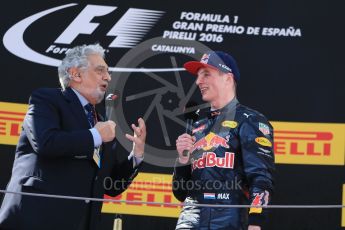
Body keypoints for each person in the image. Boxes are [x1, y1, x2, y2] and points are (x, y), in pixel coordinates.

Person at [0, 44, 146, 230]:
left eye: (108, 72)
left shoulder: (101, 121)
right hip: (36, 217)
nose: (108, 77)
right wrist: (95, 135)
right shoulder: (46, 99)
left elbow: (111, 186)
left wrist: (136, 155)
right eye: (100, 70)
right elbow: (46, 143)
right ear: (76, 74)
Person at [173, 51, 275, 230]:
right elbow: (181, 193)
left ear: (227, 79)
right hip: (190, 220)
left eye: (206, 74)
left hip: (230, 220)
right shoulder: (197, 127)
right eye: (198, 76)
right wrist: (182, 160)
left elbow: (260, 178)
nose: (198, 82)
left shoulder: (250, 120)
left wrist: (256, 223)